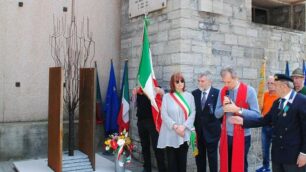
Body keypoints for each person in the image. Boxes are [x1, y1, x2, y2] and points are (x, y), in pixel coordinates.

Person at [230, 74, 306, 172]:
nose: (273, 88)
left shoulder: (301, 101)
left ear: (284, 86)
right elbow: (265, 120)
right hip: (277, 155)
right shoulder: (277, 102)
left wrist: (304, 153)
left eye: (275, 85)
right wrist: (243, 121)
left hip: (294, 156)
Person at [215, 66, 260, 172]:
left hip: (243, 136)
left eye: (229, 82)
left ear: (236, 78)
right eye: (224, 82)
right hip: (226, 136)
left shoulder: (249, 91)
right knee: (227, 165)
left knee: (241, 166)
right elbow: (217, 114)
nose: (226, 85)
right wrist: (224, 108)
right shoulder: (223, 91)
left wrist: (238, 109)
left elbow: (257, 115)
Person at [157, 72, 195, 172]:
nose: (180, 83)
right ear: (173, 83)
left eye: (182, 81)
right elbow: (164, 115)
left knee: (182, 162)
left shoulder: (189, 96)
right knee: (172, 163)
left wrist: (184, 126)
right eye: (177, 81)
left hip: (184, 133)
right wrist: (175, 126)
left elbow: (193, 113)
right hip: (171, 134)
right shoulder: (167, 97)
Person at [133, 86, 166, 172]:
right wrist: (134, 95)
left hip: (153, 122)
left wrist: (160, 91)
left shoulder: (155, 87)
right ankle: (147, 168)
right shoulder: (139, 90)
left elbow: (165, 97)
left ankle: (162, 169)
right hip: (141, 121)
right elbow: (134, 105)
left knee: (157, 148)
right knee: (144, 146)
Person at [192, 71, 220, 172]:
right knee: (199, 160)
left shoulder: (217, 93)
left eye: (202, 81)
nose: (200, 83)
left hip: (212, 133)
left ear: (209, 81)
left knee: (213, 160)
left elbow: (220, 114)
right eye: (198, 81)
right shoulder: (194, 94)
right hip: (198, 134)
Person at [256, 76, 279, 172]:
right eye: (268, 83)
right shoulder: (265, 95)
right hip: (265, 126)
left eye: (272, 83)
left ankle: (275, 168)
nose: (269, 85)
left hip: (275, 127)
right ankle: (266, 166)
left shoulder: (279, 96)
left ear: (276, 84)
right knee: (265, 148)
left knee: (275, 150)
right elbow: (262, 108)